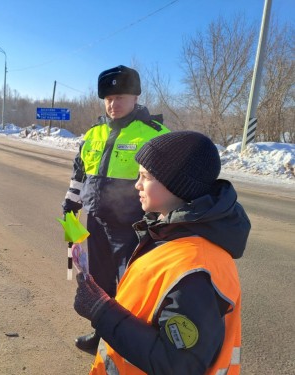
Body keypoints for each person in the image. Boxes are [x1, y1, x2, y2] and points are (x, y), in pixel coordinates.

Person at [73, 131, 251, 374]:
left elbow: (177, 365)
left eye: (145, 176)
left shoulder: (196, 269)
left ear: (176, 185)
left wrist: (101, 312)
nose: (137, 184)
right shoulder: (168, 232)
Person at [62, 65, 170, 351]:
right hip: (96, 221)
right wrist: (72, 203)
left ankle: (131, 346)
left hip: (133, 226)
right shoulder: (94, 133)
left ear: (136, 97)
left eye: (121, 96)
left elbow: (170, 183)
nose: (114, 104)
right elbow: (80, 174)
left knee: (131, 285)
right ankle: (102, 336)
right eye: (108, 98)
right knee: (97, 280)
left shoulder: (153, 134)